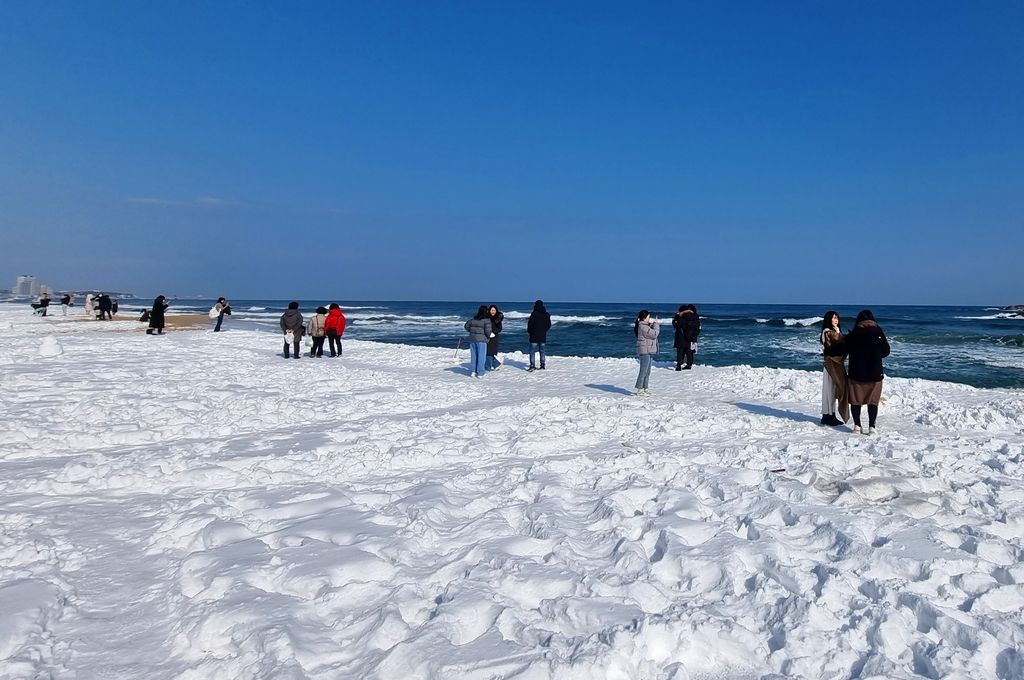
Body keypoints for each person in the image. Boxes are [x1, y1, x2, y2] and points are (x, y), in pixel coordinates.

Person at [827, 309, 890, 434]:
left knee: (856, 401)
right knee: (873, 402)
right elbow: (886, 351)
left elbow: (842, 349)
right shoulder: (878, 332)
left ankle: (857, 426)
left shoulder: (855, 335)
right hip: (875, 374)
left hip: (856, 374)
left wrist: (828, 351)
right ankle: (872, 427)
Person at [819, 311, 850, 426]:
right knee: (828, 390)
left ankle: (832, 414)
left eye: (837, 318)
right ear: (829, 319)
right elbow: (838, 338)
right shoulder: (827, 332)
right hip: (830, 364)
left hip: (835, 364)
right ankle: (826, 415)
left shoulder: (833, 332)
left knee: (833, 390)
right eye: (834, 318)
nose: (836, 320)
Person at [634, 310, 660, 395]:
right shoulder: (642, 327)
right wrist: (656, 324)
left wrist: (653, 325)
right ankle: (639, 388)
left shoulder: (645, 326)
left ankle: (645, 388)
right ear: (644, 318)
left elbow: (650, 331)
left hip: (649, 350)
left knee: (647, 372)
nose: (649, 319)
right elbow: (654, 334)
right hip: (645, 351)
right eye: (648, 317)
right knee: (643, 371)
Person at [464, 305, 493, 378]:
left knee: (474, 356)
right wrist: (488, 336)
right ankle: (480, 372)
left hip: (473, 339)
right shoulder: (486, 321)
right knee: (481, 356)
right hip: (482, 340)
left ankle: (473, 371)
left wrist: (471, 331)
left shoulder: (473, 320)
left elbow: (466, 326)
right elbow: (488, 331)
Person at [672, 304, 701, 370]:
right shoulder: (695, 317)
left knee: (680, 351)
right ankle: (689, 365)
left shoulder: (682, 317)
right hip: (690, 337)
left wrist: (673, 320)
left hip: (681, 337)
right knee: (689, 352)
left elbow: (677, 326)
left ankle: (679, 366)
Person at [526, 300, 552, 372]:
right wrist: (544, 330)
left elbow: (530, 324)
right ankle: (542, 364)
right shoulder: (546, 314)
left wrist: (530, 332)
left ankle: (532, 365)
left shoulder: (534, 314)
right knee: (542, 351)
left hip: (534, 335)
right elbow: (549, 325)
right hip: (542, 335)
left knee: (532, 351)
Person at [485, 305, 504, 371]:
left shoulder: (498, 319)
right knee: (487, 352)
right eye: (491, 310)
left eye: (494, 310)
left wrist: (493, 332)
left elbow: (499, 328)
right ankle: (496, 363)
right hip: (486, 336)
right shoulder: (486, 318)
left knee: (490, 352)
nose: (492, 312)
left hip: (494, 337)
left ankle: (488, 367)